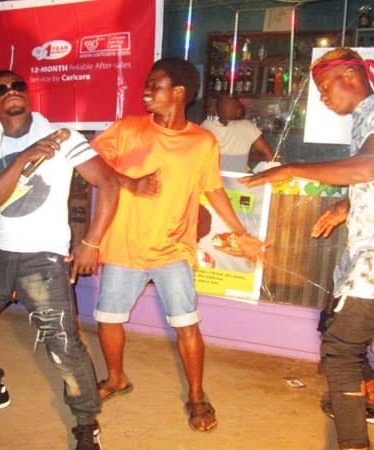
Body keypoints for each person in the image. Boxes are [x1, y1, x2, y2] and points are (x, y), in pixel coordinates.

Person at [0, 70, 155, 450]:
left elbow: (108, 182)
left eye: (18, 86)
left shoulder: (63, 137)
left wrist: (91, 243)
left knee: (64, 346)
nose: (11, 92)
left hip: (44, 255)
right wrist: (24, 158)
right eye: (1, 89)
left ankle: (86, 423)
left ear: (28, 94)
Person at [242, 48, 374, 450]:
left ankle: (353, 442)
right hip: (370, 246)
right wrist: (346, 205)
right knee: (332, 324)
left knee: (340, 350)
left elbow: (366, 168)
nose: (323, 97)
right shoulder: (368, 117)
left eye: (324, 87)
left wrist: (290, 169)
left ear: (349, 75)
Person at [90, 57, 265, 433]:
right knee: (108, 320)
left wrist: (241, 232)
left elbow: (214, 190)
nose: (146, 90)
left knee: (186, 325)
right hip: (124, 244)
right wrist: (128, 182)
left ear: (180, 92)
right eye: (146, 84)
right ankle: (116, 378)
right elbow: (89, 164)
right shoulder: (128, 128)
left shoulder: (202, 142)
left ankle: (197, 396)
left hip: (173, 248)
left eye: (155, 84)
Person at [201, 93, 275, 172]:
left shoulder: (206, 125)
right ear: (238, 111)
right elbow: (269, 155)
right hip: (237, 179)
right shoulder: (247, 127)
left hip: (210, 178)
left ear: (216, 111)